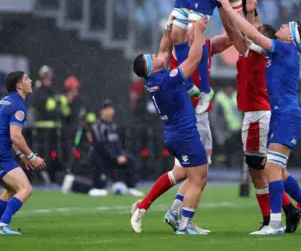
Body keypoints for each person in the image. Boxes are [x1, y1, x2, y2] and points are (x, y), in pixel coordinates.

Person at [216, 0, 301, 236]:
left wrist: (230, 8)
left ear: (291, 38)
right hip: (281, 115)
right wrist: (251, 11)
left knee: (270, 169)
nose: (283, 25)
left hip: (286, 115)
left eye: (288, 26)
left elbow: (255, 34)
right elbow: (258, 35)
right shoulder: (279, 51)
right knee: (278, 170)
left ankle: (274, 224)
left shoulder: (285, 50)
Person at [130, 17, 209, 235]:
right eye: (153, 57)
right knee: (199, 177)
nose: (158, 55)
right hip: (184, 134)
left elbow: (164, 50)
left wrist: (167, 28)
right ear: (151, 66)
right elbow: (193, 60)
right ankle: (185, 225)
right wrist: (199, 31)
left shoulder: (152, 79)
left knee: (182, 173)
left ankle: (145, 206)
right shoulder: (167, 80)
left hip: (174, 134)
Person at [162, 25, 233, 231]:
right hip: (189, 118)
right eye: (191, 23)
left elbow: (230, 39)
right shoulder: (179, 53)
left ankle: (175, 212)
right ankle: (153, 208)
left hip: (201, 117)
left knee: (198, 172)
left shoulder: (206, 46)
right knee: (191, 172)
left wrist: (238, 12)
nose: (198, 24)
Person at [0, 71, 46, 235]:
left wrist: (20, 156)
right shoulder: (18, 105)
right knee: (25, 189)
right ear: (19, 85)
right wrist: (32, 157)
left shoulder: (5, 102)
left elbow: (5, 134)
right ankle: (3, 225)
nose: (30, 81)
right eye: (26, 79)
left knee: (12, 189)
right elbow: (15, 136)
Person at [61, 99, 143, 197]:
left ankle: (131, 187)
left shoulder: (113, 125)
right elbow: (102, 145)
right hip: (100, 159)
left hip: (113, 157)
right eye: (106, 109)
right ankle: (73, 183)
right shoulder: (98, 126)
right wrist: (116, 157)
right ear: (102, 111)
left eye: (110, 109)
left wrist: (121, 155)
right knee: (98, 189)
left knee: (131, 161)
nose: (109, 111)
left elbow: (117, 144)